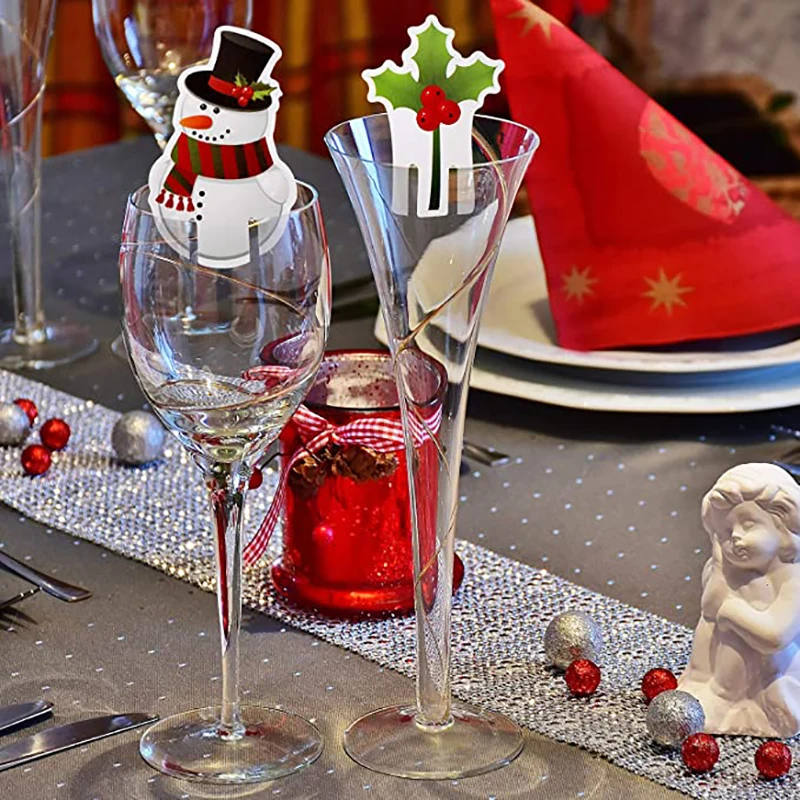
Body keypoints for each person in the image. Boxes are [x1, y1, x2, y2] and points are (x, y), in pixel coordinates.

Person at [679, 463, 800, 736]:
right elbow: (709, 611)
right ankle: (705, 685)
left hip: (780, 667)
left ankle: (726, 697)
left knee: (750, 603)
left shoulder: (793, 579)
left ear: (783, 528)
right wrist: (720, 565)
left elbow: (775, 636)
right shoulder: (725, 571)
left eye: (748, 524)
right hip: (720, 673)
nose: (734, 537)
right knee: (723, 617)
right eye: (725, 530)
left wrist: (732, 612)